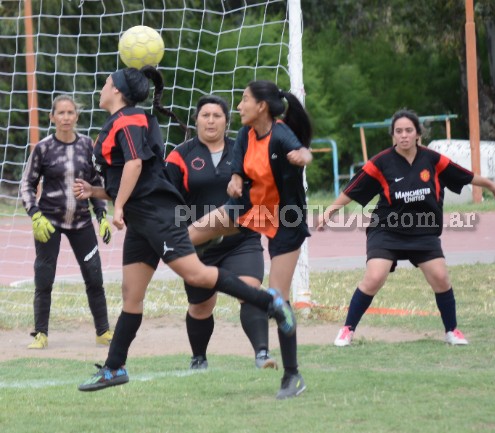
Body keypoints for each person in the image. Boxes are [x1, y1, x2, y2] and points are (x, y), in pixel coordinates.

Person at [73, 67, 295, 392]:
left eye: (107, 82)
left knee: (198, 275)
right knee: (131, 296)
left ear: (118, 91)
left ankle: (270, 304)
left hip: (156, 215)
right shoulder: (120, 122)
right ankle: (114, 368)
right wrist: (98, 193)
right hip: (141, 219)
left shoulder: (130, 118)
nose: (102, 86)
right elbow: (135, 176)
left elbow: (135, 165)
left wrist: (117, 206)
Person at [317, 109, 495, 347]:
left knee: (440, 277)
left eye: (409, 130)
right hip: (386, 230)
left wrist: (490, 184)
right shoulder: (381, 162)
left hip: (423, 232)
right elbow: (351, 190)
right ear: (393, 135)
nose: (404, 135)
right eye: (399, 131)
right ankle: (347, 329)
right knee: (374, 277)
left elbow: (464, 175)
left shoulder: (432, 160)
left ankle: (452, 331)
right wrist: (328, 213)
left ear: (418, 133)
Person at [187, 80, 312, 399]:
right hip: (249, 209)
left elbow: (301, 151)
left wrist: (302, 157)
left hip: (286, 218)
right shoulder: (244, 134)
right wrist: (234, 179)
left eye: (244, 100)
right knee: (183, 238)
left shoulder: (281, 134)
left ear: (262, 107)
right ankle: (212, 256)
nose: (238, 106)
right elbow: (239, 169)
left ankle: (292, 376)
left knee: (280, 299)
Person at [165, 95, 276, 370]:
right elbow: (167, 200)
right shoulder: (180, 155)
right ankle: (199, 358)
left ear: (227, 121)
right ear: (196, 119)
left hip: (242, 240)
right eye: (205, 115)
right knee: (202, 306)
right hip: (199, 245)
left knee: (250, 290)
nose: (211, 120)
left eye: (217, 115)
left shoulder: (245, 151)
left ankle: (262, 354)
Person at [20, 94, 113, 349]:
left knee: (94, 276)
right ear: (52, 117)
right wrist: (35, 215)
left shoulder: (87, 146)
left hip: (82, 222)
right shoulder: (43, 148)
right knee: (44, 276)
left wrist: (102, 216)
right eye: (60, 113)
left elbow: (97, 185)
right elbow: (26, 185)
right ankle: (41, 333)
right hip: (49, 223)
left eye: (70, 113)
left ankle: (103, 332)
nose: (65, 117)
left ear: (77, 116)